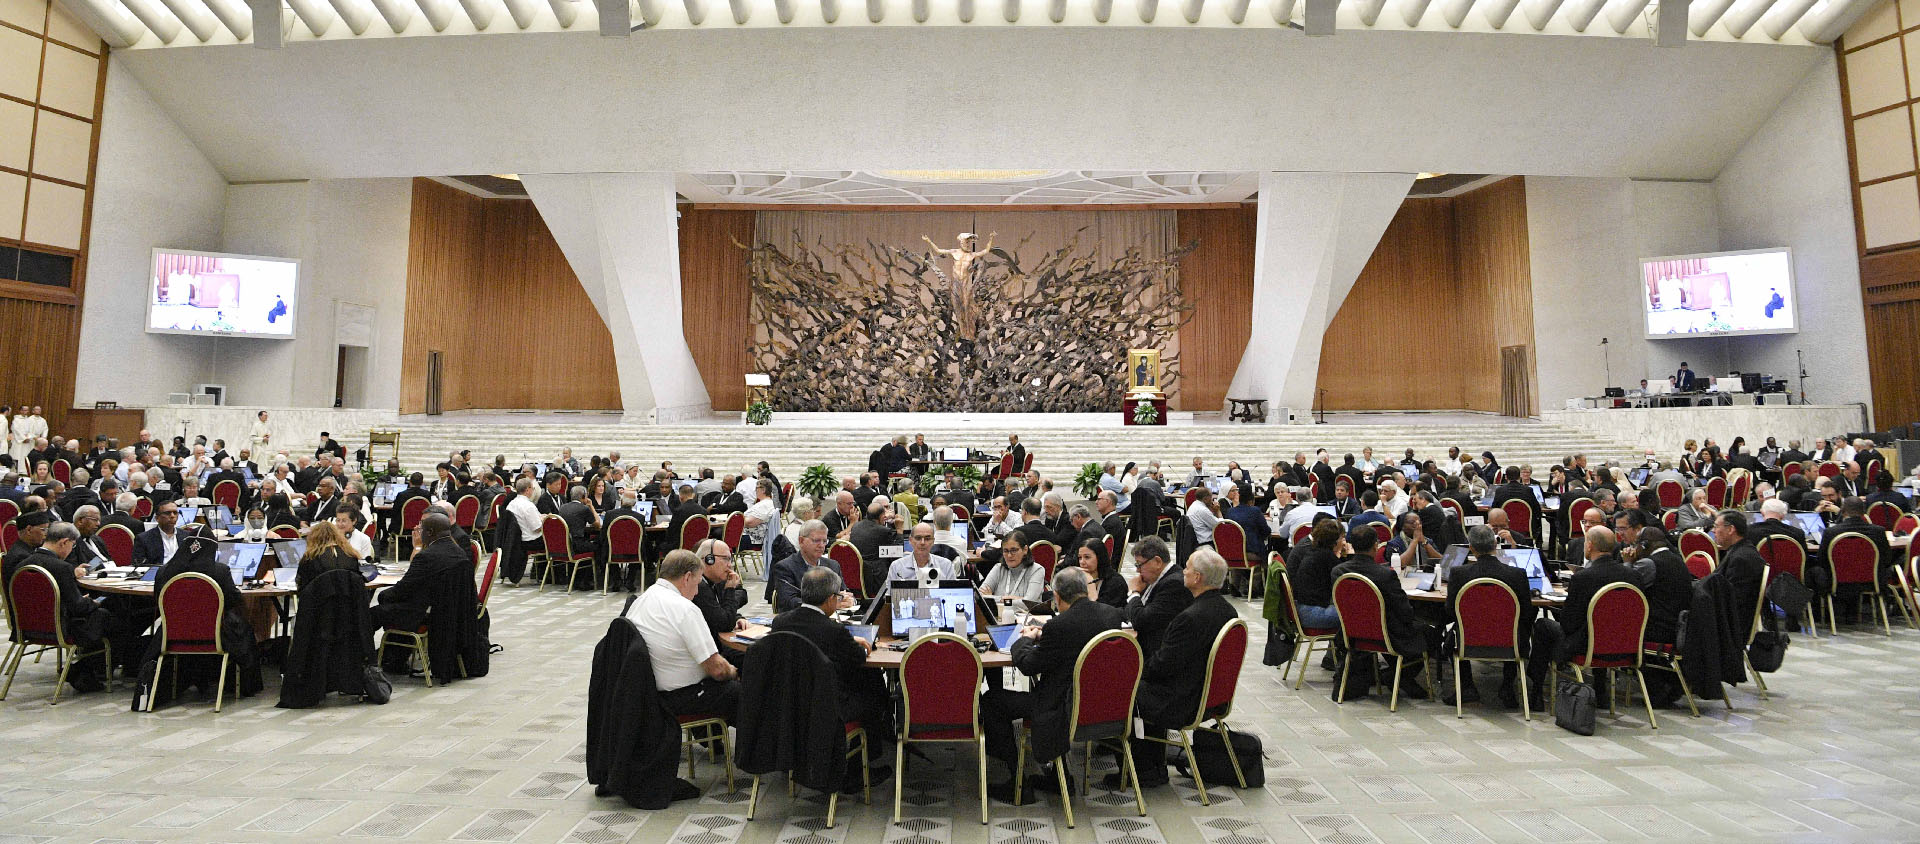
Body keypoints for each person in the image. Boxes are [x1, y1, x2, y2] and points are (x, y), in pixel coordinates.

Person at [979, 567, 1122, 801]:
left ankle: (1017, 781)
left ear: (1056, 596)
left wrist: (1025, 639)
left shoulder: (1060, 626)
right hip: (1098, 702)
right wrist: (1045, 634)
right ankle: (1058, 777)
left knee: (992, 701)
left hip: (1059, 706)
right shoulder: (1112, 615)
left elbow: (1027, 665)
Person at [1122, 549, 1238, 788]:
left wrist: (1130, 673)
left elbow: (1163, 665)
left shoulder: (1190, 618)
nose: (1182, 571)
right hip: (1208, 695)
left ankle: (1144, 769)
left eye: (1186, 567)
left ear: (1197, 578)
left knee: (1125, 691)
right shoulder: (1228, 611)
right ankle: (1151, 763)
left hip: (1182, 700)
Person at [769, 566, 894, 778]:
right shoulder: (834, 630)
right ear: (830, 599)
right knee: (875, 693)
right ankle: (859, 768)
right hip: (829, 707)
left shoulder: (780, 622)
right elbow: (858, 658)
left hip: (790, 701)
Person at [1444, 525, 1556, 710]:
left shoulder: (1459, 574)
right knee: (1518, 626)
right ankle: (1507, 685)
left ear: (1471, 548)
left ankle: (1467, 687)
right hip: (1510, 641)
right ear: (1496, 544)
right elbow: (1527, 613)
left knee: (1453, 635)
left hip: (1468, 640)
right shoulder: (1517, 574)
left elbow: (1450, 611)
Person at [625, 550, 740, 721]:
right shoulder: (685, 609)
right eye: (697, 584)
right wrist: (734, 671)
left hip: (646, 694)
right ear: (687, 578)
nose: (696, 593)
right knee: (746, 693)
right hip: (679, 696)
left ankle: (714, 742)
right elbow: (717, 670)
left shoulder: (641, 600)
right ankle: (755, 746)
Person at [1330, 525, 1434, 700]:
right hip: (1386, 635)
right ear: (1375, 546)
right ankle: (1399, 675)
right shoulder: (1385, 575)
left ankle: (1397, 675)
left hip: (1352, 633)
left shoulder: (1338, 572)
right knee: (1432, 633)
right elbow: (1405, 612)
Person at [1558, 526, 1637, 667]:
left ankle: (1536, 684)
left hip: (1588, 646)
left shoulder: (1583, 577)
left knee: (1542, 626)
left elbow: (1568, 623)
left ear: (1589, 545)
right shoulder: (1634, 576)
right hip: (1626, 646)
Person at [1123, 535, 1191, 659]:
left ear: (1157, 562)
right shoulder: (1155, 578)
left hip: (1157, 658)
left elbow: (1141, 621)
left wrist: (1134, 593)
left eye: (1139, 565)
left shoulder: (1174, 584)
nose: (1137, 571)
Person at [767, 519, 835, 613]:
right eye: (816, 541)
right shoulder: (785, 568)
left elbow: (843, 592)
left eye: (824, 541)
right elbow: (789, 601)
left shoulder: (832, 565)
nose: (821, 545)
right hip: (798, 620)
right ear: (801, 541)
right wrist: (824, 606)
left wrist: (847, 599)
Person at [980, 530, 1046, 603]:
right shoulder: (998, 568)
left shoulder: (1037, 570)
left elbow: (1028, 603)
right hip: (998, 614)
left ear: (1025, 550)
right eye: (1005, 551)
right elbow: (980, 596)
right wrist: (1009, 599)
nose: (1009, 555)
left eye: (1013, 550)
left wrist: (993, 598)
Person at [296, 520, 363, 589]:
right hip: (350, 597)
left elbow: (301, 583)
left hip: (319, 597)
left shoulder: (310, 557)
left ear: (314, 537)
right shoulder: (351, 554)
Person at [886, 522, 958, 583]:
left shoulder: (946, 566)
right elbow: (889, 596)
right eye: (918, 538)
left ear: (933, 541)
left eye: (927, 538)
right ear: (910, 541)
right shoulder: (896, 566)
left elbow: (952, 596)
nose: (922, 543)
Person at [134, 500, 191, 568]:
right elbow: (139, 564)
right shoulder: (144, 538)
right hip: (156, 575)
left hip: (181, 574)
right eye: (167, 513)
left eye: (175, 513)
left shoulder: (187, 536)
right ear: (157, 518)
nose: (172, 516)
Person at [1076, 537, 1125, 609]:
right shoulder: (1078, 577)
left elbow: (1103, 614)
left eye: (1087, 557)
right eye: (1080, 557)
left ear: (1100, 557)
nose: (1082, 562)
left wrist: (1091, 586)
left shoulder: (1116, 582)